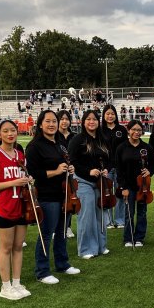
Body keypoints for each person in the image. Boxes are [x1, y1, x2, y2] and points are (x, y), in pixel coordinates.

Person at [25, 110, 81, 284]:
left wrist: (70, 168)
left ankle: (62, 263)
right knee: (46, 234)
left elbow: (67, 161)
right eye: (47, 121)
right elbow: (33, 173)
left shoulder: (61, 143)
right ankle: (42, 271)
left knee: (62, 231)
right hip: (47, 195)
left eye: (54, 121)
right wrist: (55, 171)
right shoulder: (34, 146)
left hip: (65, 193)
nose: (51, 124)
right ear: (40, 124)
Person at [0, 119, 32, 300]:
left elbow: (23, 177)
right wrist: (14, 182)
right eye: (6, 131)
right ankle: (5, 286)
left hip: (21, 203)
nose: (10, 134)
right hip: (5, 206)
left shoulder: (20, 154)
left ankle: (17, 282)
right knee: (6, 247)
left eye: (13, 130)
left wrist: (28, 180)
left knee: (18, 246)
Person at [68, 110, 112, 259]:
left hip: (101, 182)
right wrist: (88, 171)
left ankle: (101, 246)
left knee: (101, 214)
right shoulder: (77, 139)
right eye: (88, 119)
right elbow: (72, 161)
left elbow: (109, 159)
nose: (91, 122)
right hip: (83, 181)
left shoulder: (103, 139)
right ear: (83, 121)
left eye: (94, 119)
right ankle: (86, 249)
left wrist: (107, 169)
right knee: (86, 216)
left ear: (98, 121)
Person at [115, 119, 154, 247]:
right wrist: (123, 187)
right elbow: (119, 169)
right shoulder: (121, 148)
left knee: (142, 213)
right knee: (129, 213)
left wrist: (149, 172)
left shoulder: (147, 147)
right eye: (134, 129)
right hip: (128, 186)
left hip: (143, 186)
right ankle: (128, 238)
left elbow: (153, 166)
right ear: (128, 130)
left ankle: (139, 238)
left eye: (139, 130)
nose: (136, 132)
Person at [100, 104, 127, 229]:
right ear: (104, 115)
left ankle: (120, 220)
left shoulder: (121, 129)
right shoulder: (100, 130)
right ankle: (108, 220)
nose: (110, 116)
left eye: (112, 113)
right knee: (106, 194)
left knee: (119, 193)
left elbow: (125, 148)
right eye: (107, 113)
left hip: (120, 166)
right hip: (105, 167)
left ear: (115, 115)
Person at [56, 110, 76, 238]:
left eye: (67, 119)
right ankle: (55, 228)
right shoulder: (53, 135)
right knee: (56, 201)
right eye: (61, 119)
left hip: (71, 172)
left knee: (69, 199)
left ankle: (67, 226)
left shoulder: (74, 137)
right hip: (56, 173)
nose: (64, 121)